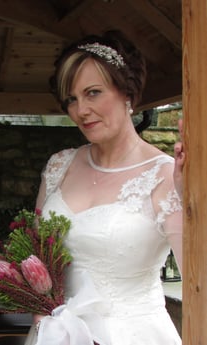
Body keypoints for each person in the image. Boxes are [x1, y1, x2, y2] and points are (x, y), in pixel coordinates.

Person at [25, 30, 184, 345]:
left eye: (93, 92)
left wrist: (192, 198)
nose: (80, 110)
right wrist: (40, 313)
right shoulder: (58, 166)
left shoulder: (165, 176)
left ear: (127, 92)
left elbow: (200, 277)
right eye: (71, 99)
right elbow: (36, 258)